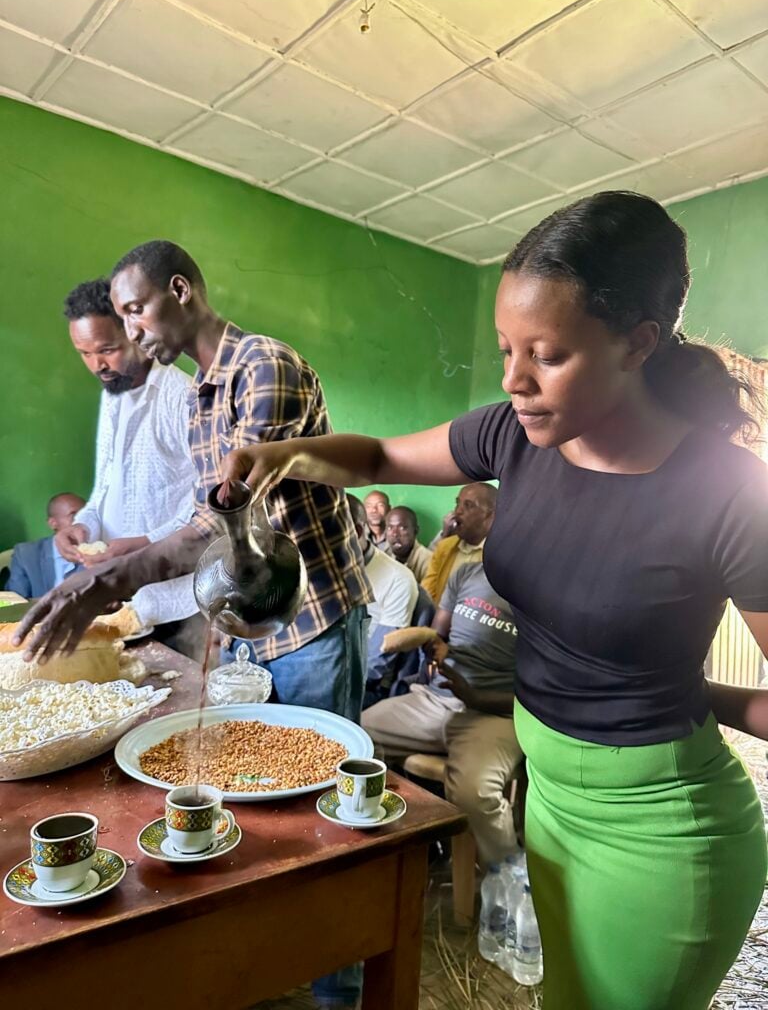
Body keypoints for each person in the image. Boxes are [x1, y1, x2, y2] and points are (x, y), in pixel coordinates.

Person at [175, 192, 767, 1010]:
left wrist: (686, 693)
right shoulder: (515, 437)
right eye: (505, 349)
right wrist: (284, 454)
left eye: (546, 355)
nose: (513, 381)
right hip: (553, 804)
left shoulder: (730, 493)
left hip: (662, 831)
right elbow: (378, 452)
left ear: (639, 344)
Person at [17, 243, 372, 1010]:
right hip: (251, 618)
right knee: (261, 789)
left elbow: (216, 518)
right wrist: (97, 570)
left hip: (310, 617)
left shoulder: (261, 369)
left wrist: (105, 583)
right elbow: (204, 532)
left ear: (181, 291)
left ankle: (337, 990)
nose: (133, 331)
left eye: (137, 310)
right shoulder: (201, 397)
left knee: (327, 812)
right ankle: (284, 959)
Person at [56, 278, 200, 649]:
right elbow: (104, 486)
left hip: (178, 606)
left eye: (106, 349)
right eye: (84, 353)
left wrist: (143, 544)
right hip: (123, 599)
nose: (96, 365)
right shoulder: (113, 396)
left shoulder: (183, 398)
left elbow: (208, 510)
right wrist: (83, 526)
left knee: (185, 699)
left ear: (135, 332)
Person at [362, 561, 522, 865]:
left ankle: (510, 885)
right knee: (359, 739)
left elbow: (540, 696)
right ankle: (391, 850)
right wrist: (431, 644)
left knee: (474, 792)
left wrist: (476, 697)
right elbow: (439, 634)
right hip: (435, 699)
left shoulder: (541, 597)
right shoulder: (468, 573)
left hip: (496, 715)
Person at [347, 495, 418, 705]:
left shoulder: (398, 579)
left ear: (357, 533)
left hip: (363, 685)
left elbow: (376, 662)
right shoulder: (321, 568)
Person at [421, 483, 496, 603]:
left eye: (468, 505)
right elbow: (427, 595)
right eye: (457, 503)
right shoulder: (444, 547)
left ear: (491, 515)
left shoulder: (499, 555)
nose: (458, 511)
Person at [7, 493, 85, 598]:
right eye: (74, 515)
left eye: (86, 514)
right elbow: (15, 601)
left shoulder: (98, 551)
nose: (83, 521)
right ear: (53, 523)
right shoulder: (26, 554)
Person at [384, 506, 431, 582]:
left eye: (402, 528)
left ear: (415, 531)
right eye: (390, 528)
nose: (395, 534)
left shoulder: (428, 561)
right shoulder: (383, 555)